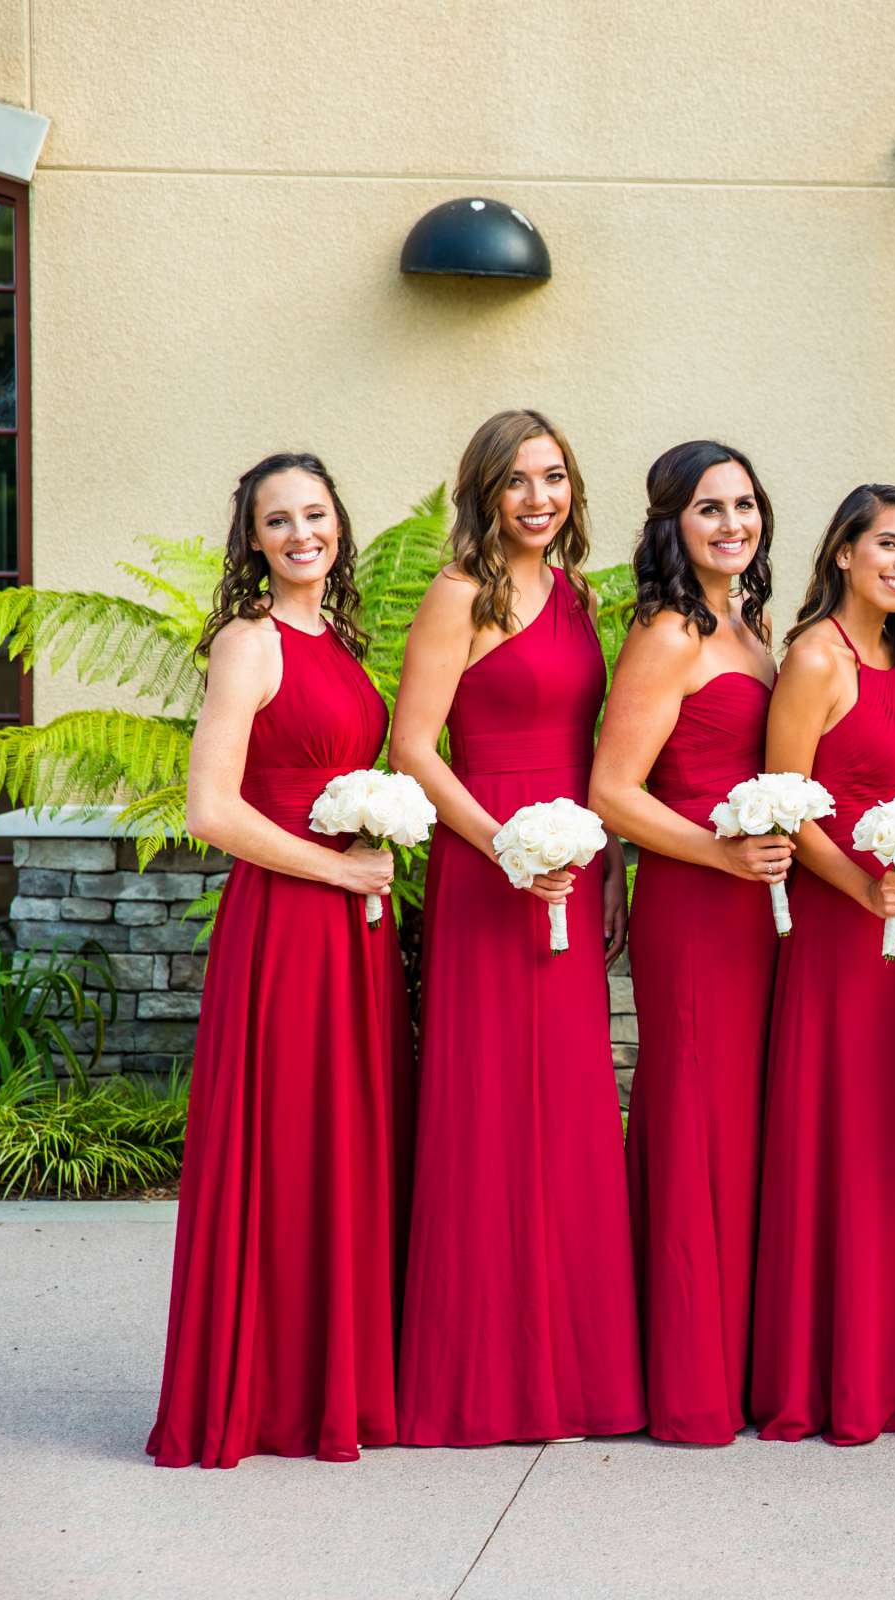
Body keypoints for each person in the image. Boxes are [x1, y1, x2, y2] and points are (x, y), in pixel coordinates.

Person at [148, 452, 411, 1468]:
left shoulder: (340, 640)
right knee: (286, 1147)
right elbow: (211, 808)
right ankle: (261, 1397)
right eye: (278, 521)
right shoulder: (249, 644)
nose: (303, 533)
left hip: (354, 931)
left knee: (339, 1148)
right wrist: (338, 875)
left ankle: (328, 1388)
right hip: (288, 930)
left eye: (315, 513)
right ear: (252, 540)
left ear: (338, 520)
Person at [391, 409, 643, 1446]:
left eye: (555, 479)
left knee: (572, 1104)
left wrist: (608, 864)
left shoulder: (581, 599)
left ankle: (577, 1374)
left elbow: (595, 748)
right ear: (483, 491)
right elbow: (411, 746)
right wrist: (503, 845)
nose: (540, 499)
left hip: (572, 868)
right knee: (489, 1105)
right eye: (518, 481)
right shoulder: (459, 595)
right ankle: (481, 1377)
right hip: (487, 862)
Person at [590, 441, 785, 1445]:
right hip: (698, 900)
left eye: (744, 505)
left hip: (761, 907)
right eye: (710, 510)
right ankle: (688, 1376)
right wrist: (722, 853)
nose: (731, 525)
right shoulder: (670, 631)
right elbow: (614, 792)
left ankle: (745, 1357)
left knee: (746, 1120)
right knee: (696, 1116)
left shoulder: (752, 625)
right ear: (674, 524)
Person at [749, 483, 895, 1445]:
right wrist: (861, 889)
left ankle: (893, 1366)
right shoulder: (816, 658)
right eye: (887, 547)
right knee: (838, 1132)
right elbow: (786, 800)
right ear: (842, 555)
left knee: (891, 1135)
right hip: (839, 927)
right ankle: (827, 1375)